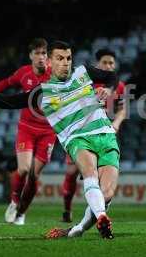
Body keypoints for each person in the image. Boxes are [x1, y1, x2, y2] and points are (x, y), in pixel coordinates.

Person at [0, 40, 118, 239]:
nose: (65, 63)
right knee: (90, 173)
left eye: (68, 58)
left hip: (106, 136)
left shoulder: (83, 72)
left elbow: (111, 76)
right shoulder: (43, 92)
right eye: (60, 58)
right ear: (49, 61)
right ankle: (101, 216)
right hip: (78, 140)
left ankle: (78, 229)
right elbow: (6, 101)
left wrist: (108, 89)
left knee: (107, 194)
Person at [0, 38, 55, 225]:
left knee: (34, 176)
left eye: (44, 53)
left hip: (48, 131)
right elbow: (4, 83)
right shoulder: (24, 73)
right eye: (37, 53)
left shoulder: (54, 73)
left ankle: (21, 213)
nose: (41, 57)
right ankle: (14, 201)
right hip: (26, 128)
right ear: (31, 56)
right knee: (24, 168)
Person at [61, 49, 126, 223]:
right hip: (82, 132)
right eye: (105, 63)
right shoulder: (86, 82)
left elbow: (122, 110)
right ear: (98, 65)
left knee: (104, 180)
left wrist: (116, 124)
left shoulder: (118, 86)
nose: (108, 66)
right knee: (72, 172)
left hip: (106, 132)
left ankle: (99, 216)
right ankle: (67, 209)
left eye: (111, 63)